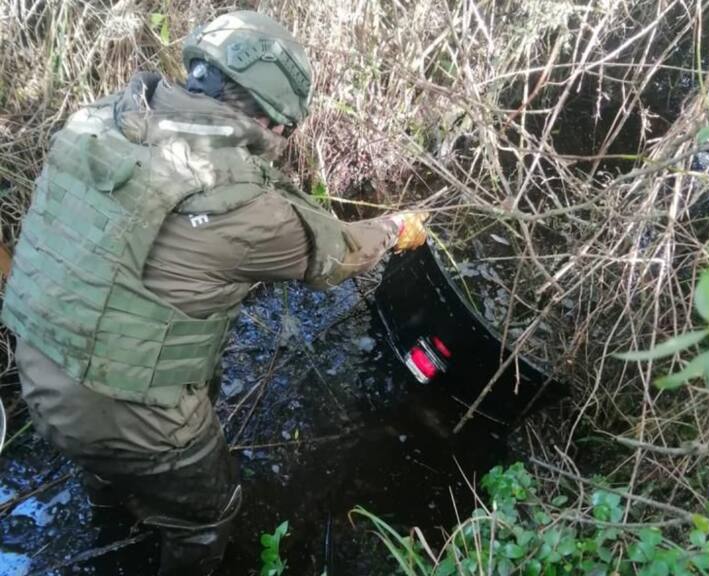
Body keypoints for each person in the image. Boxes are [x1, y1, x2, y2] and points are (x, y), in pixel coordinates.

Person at [1, 11, 427, 575]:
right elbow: (336, 255)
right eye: (284, 130)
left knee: (104, 462)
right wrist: (397, 229)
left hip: (38, 367)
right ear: (269, 119)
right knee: (210, 510)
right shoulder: (246, 205)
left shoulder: (99, 119)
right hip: (126, 418)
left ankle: (111, 505)